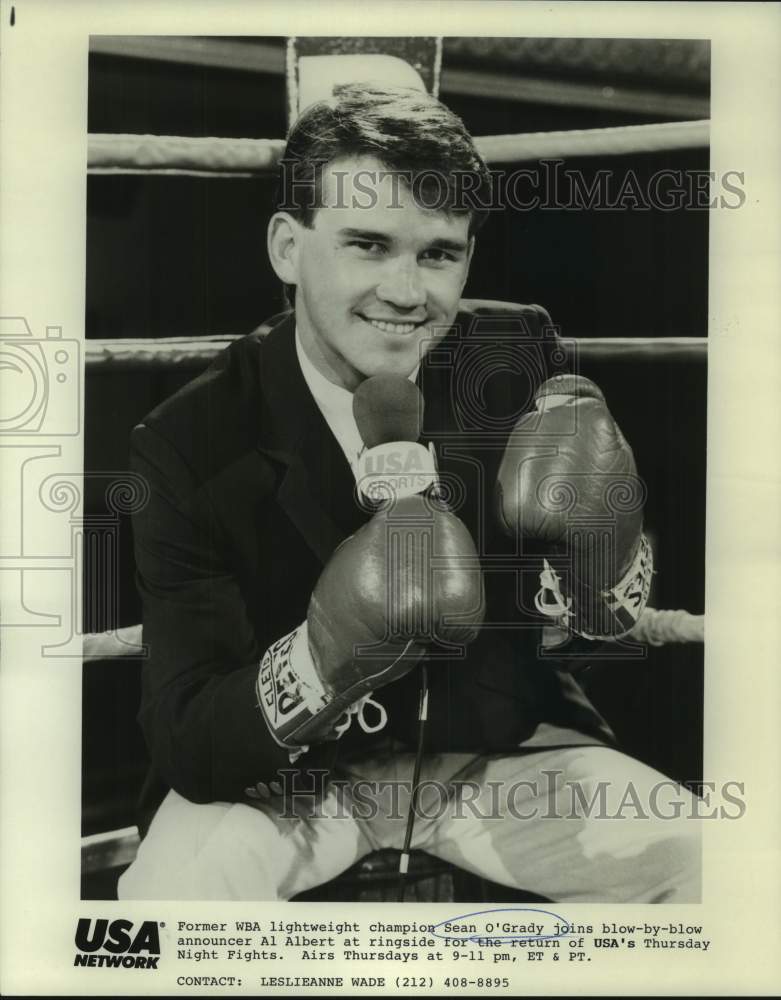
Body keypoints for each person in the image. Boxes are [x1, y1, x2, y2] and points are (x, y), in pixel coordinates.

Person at [118, 83, 701, 902]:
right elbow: (186, 741)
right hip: (294, 784)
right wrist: (321, 663)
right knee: (168, 903)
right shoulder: (193, 441)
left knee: (711, 866)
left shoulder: (513, 351)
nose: (406, 291)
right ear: (288, 247)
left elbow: (591, 632)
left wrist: (602, 564)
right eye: (367, 244)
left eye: (437, 253)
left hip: (495, 757)